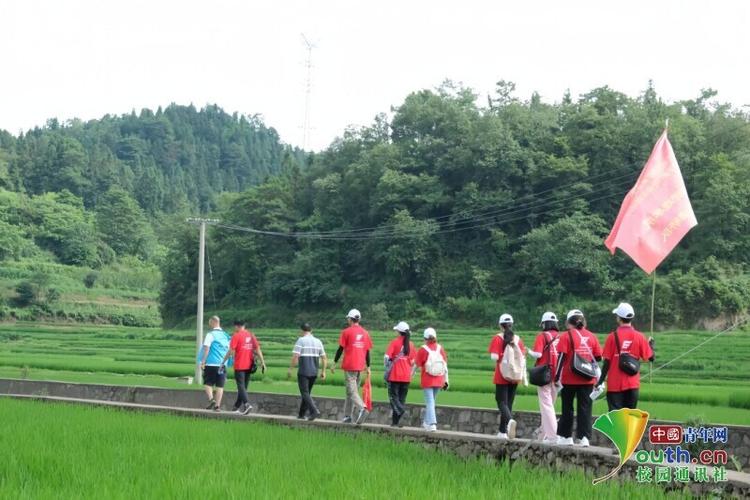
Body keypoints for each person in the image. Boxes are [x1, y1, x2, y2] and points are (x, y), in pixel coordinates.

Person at [554, 309, 602, 447]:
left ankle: (566, 437)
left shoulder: (566, 336)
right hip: (587, 378)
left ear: (569, 322)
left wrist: (556, 377)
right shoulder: (592, 336)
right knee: (585, 408)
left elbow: (561, 358)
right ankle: (584, 438)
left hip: (569, 378)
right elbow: (598, 357)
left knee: (567, 408)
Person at [598, 303, 655, 411]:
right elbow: (651, 358)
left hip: (614, 385)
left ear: (619, 318)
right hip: (632, 385)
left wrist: (600, 381)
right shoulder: (639, 337)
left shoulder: (612, 337)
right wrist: (651, 345)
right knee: (629, 418)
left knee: (616, 419)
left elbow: (607, 363)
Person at [330, 308, 372, 424]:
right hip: (360, 366)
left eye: (348, 318)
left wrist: (334, 363)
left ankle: (362, 408)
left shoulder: (346, 332)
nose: (347, 320)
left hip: (350, 366)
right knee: (351, 392)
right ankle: (347, 416)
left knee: (352, 392)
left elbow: (340, 349)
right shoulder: (365, 333)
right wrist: (368, 367)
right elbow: (367, 351)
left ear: (350, 319)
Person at [488, 313, 526, 440]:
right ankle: (502, 431)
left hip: (502, 375)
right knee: (508, 403)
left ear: (500, 325)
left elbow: (494, 357)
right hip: (515, 375)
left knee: (501, 401)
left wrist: (501, 355)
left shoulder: (497, 338)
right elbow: (523, 357)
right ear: (511, 324)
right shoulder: (518, 339)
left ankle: (509, 421)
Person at [527, 311, 560, 443]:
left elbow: (538, 355)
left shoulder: (542, 336)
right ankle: (543, 436)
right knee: (550, 405)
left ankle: (553, 436)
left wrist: (528, 351)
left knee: (546, 406)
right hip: (558, 375)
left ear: (544, 323)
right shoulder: (560, 336)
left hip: (545, 375)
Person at [221, 319, 266, 415]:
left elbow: (231, 351)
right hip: (249, 365)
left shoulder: (236, 336)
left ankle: (247, 404)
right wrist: (263, 362)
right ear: (244, 325)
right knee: (244, 387)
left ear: (236, 326)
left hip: (240, 365)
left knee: (241, 386)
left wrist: (223, 362)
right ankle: (236, 407)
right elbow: (258, 349)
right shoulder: (251, 335)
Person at [287, 323, 327, 421]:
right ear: (311, 330)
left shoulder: (301, 340)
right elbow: (324, 358)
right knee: (307, 393)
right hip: (314, 372)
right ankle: (301, 414)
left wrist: (290, 369)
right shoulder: (318, 341)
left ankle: (314, 411)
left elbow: (295, 356)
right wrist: (323, 371)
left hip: (304, 372)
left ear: (301, 331)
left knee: (304, 393)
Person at [415, 327, 448, 432]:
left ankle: (433, 424)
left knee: (430, 402)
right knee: (432, 401)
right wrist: (446, 380)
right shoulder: (440, 348)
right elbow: (445, 366)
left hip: (427, 379)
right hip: (439, 379)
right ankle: (426, 423)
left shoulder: (423, 349)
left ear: (425, 338)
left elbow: (416, 364)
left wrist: (411, 374)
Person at [384, 321, 416, 427]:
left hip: (395, 375)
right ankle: (395, 422)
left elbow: (386, 357)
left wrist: (387, 367)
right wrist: (412, 372)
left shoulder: (394, 342)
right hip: (406, 376)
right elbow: (412, 362)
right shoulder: (411, 345)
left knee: (393, 398)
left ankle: (402, 411)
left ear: (399, 331)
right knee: (401, 399)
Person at [198, 316, 231, 411]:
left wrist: (203, 361)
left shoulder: (210, 335)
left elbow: (206, 348)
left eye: (209, 323)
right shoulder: (226, 336)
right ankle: (217, 406)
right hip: (222, 365)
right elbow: (230, 351)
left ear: (213, 323)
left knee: (208, 383)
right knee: (220, 386)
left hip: (211, 364)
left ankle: (211, 399)